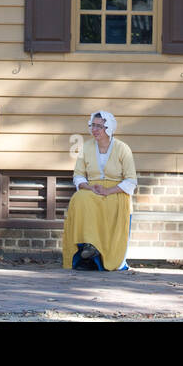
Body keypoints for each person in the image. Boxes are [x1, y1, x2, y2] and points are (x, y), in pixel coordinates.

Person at [61, 110, 137, 271]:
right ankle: (87, 247)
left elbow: (131, 180)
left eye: (99, 126)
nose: (94, 129)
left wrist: (109, 191)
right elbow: (78, 175)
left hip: (116, 192)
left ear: (108, 128)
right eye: (92, 125)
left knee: (106, 202)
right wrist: (89, 187)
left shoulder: (123, 148)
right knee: (80, 198)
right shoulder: (86, 147)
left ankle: (99, 252)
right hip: (93, 189)